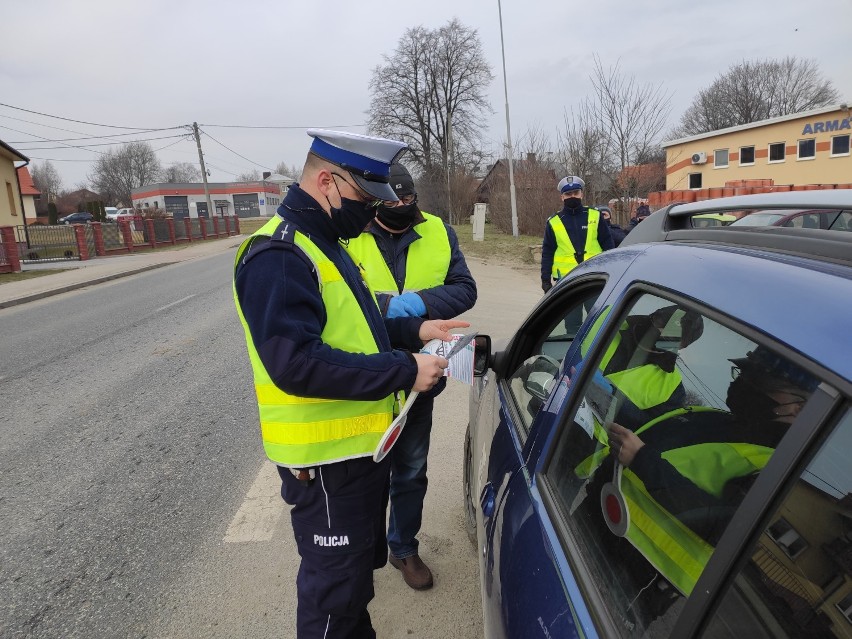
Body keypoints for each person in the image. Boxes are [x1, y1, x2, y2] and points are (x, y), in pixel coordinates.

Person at [233, 129, 468, 638]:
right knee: (333, 603)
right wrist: (406, 369)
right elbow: (294, 363)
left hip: (357, 455)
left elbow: (360, 328)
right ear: (327, 182)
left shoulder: (328, 244)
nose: (371, 213)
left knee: (354, 588)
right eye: (365, 199)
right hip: (325, 469)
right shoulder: (279, 256)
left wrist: (417, 330)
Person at [345, 163, 477, 591]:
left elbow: (464, 288)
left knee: (411, 468)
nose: (402, 207)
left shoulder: (439, 231)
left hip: (422, 371)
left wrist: (417, 302)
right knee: (362, 471)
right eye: (392, 202)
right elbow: (338, 295)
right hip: (365, 372)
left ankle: (403, 547)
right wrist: (385, 306)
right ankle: (360, 554)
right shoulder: (349, 231)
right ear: (375, 200)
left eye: (408, 200)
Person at [604, 346, 818, 592]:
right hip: (602, 523)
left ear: (799, 408)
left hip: (640, 577)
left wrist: (642, 460)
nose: (744, 383)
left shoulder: (775, 468)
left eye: (760, 380)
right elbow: (654, 440)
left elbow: (725, 530)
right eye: (743, 373)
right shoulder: (720, 420)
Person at [540, 176, 614, 295]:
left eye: (576, 193)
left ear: (582, 194)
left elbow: (608, 244)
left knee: (599, 313)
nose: (572, 196)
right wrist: (545, 280)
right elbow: (547, 252)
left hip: (595, 276)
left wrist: (613, 270)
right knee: (571, 314)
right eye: (568, 194)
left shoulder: (595, 215)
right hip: (566, 280)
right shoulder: (554, 222)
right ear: (562, 197)